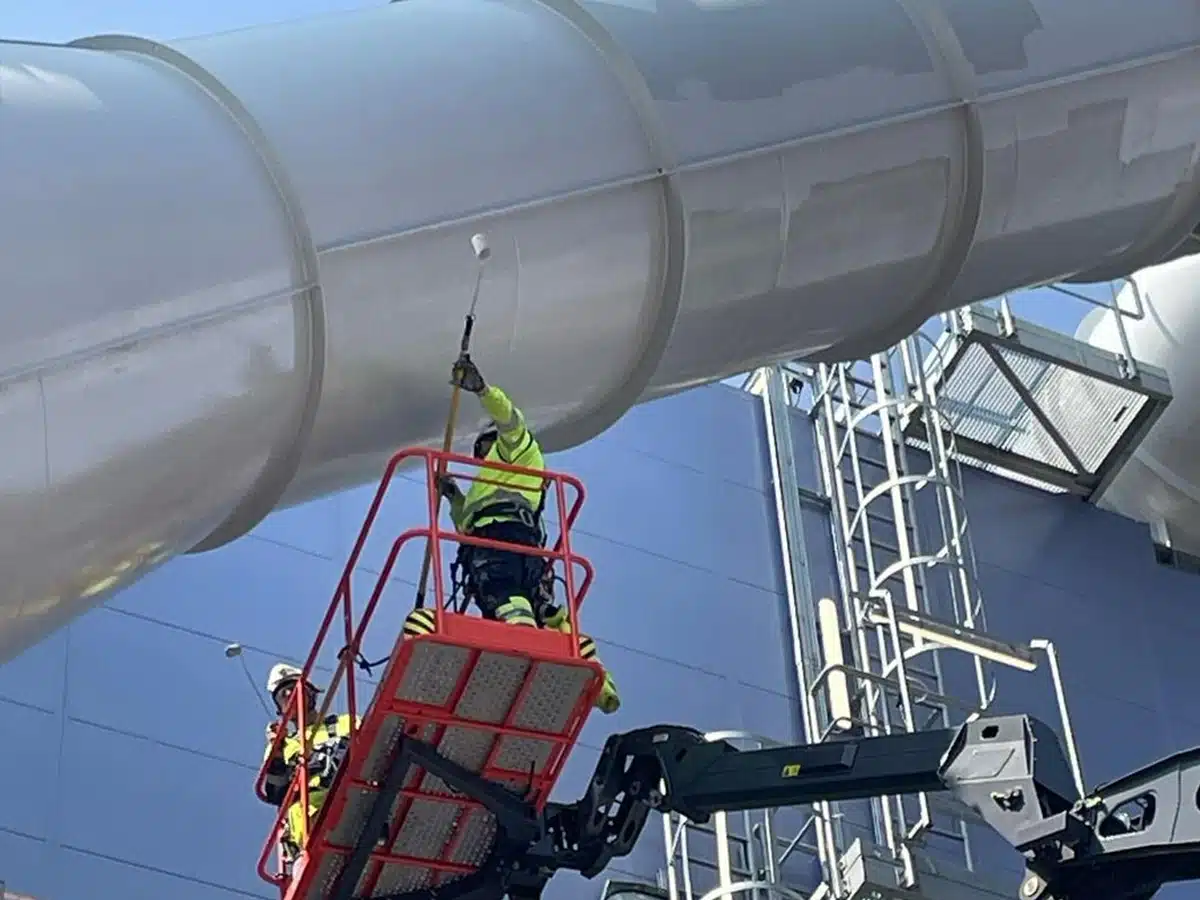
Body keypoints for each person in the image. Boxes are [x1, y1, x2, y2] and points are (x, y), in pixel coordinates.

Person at [403, 356, 620, 714]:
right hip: (510, 542)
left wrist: (482, 390)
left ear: (490, 443)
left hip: (503, 540)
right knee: (540, 610)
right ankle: (596, 681)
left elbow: (510, 421)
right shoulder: (492, 482)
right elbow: (468, 524)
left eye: (478, 450)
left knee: (505, 595)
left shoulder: (514, 449)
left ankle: (525, 648)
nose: (477, 458)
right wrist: (454, 495)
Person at [260, 663, 357, 863]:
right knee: (302, 812)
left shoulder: (346, 723)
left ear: (311, 693)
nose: (289, 694)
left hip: (354, 793)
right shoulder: (282, 746)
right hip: (313, 815)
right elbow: (276, 792)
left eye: (294, 688)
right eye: (282, 695)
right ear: (279, 709)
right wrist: (277, 751)